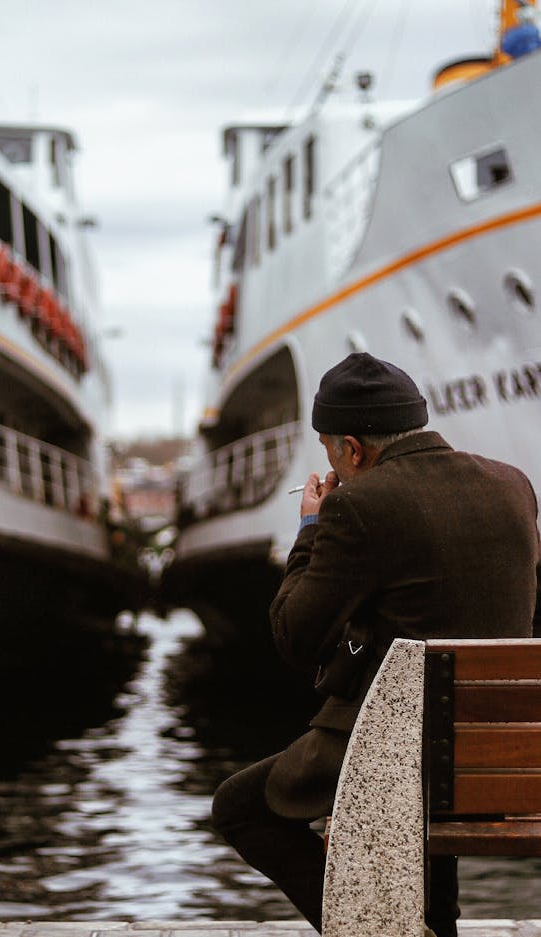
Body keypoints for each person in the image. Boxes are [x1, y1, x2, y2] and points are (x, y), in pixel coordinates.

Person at [212, 352, 541, 937]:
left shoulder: (357, 507)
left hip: (394, 752)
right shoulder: (514, 486)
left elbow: (294, 637)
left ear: (352, 449)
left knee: (241, 808)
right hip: (495, 756)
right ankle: (428, 927)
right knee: (431, 789)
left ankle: (381, 930)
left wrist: (312, 529)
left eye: (328, 448)